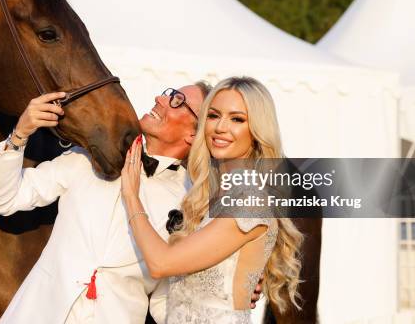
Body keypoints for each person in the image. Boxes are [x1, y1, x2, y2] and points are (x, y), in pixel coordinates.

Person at [0, 82, 262, 323]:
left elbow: (166, 299)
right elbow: (4, 199)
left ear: (193, 133)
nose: (160, 99)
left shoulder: (194, 202)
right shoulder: (87, 157)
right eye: (168, 93)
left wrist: (225, 295)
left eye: (177, 100)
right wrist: (19, 134)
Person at [120, 76, 304, 323]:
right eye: (214, 115)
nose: (220, 127)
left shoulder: (248, 204)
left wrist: (132, 197)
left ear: (257, 131)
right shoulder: (206, 197)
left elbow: (160, 263)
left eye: (237, 119)